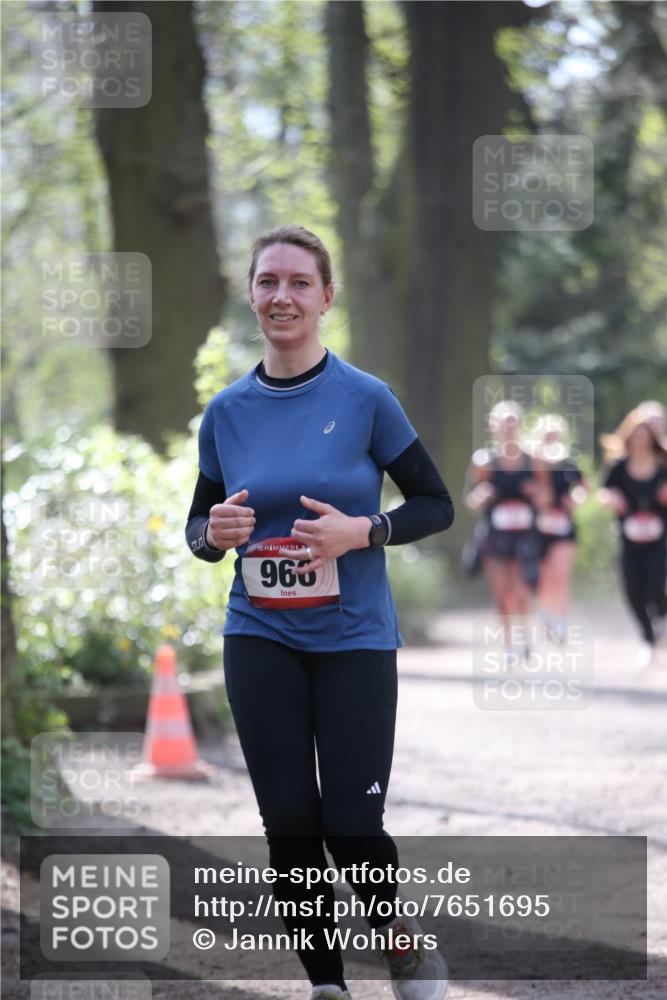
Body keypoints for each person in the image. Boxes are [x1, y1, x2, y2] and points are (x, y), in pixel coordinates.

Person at [185, 225, 453, 1000]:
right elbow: (200, 528)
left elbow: (434, 504)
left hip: (354, 639)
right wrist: (213, 535)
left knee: (351, 826)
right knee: (290, 826)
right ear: (250, 295)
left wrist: (363, 531)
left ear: (326, 297)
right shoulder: (226, 412)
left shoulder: (365, 399)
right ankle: (326, 986)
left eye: (299, 282)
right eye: (268, 281)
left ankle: (400, 945)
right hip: (259, 634)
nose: (282, 296)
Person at [465, 401, 547, 664]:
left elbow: (547, 499)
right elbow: (471, 501)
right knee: (501, 593)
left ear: (520, 425)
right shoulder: (484, 460)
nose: (509, 428)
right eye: (504, 423)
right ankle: (508, 646)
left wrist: (536, 493)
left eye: (513, 422)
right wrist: (481, 495)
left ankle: (525, 638)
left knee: (522, 590)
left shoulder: (533, 459)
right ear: (494, 427)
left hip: (525, 534)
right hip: (496, 534)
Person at [598, 407, 667, 667]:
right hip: (629, 539)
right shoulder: (618, 466)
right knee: (633, 590)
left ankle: (660, 619)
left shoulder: (664, 463)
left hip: (659, 539)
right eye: (637, 434)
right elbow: (603, 491)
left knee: (655, 585)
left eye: (646, 435)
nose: (641, 440)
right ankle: (648, 638)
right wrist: (611, 498)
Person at [534, 415, 588, 644]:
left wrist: (575, 498)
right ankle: (546, 616)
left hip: (564, 525)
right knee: (544, 576)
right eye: (547, 435)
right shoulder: (531, 463)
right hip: (539, 527)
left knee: (562, 575)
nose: (551, 439)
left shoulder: (568, 463)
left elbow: (584, 487)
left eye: (555, 435)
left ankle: (561, 623)